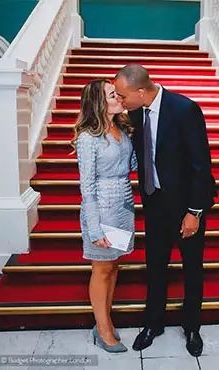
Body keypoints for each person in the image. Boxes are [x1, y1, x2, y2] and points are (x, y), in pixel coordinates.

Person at [114, 64, 217, 357]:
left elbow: (201, 166)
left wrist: (194, 212)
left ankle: (192, 327)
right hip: (154, 203)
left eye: (123, 95)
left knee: (192, 268)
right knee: (155, 265)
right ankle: (153, 324)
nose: (120, 100)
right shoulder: (135, 113)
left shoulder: (185, 109)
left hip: (186, 207)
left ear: (141, 91)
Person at [70, 79, 136, 353]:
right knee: (101, 268)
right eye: (113, 94)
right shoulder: (87, 138)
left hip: (124, 205)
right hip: (102, 208)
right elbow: (87, 186)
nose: (119, 96)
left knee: (114, 266)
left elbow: (132, 165)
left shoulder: (121, 128)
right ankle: (103, 328)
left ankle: (104, 320)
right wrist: (94, 229)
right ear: (99, 102)